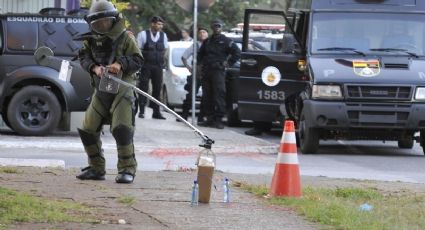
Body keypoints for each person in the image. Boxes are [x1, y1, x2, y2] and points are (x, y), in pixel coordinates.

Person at [76, 0, 143, 183]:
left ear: (113, 20)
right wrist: (94, 68)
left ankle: (127, 169)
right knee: (87, 129)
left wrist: (120, 64)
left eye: (105, 22)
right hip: (101, 88)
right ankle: (96, 168)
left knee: (122, 129)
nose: (101, 26)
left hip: (122, 88)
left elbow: (137, 60)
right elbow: (83, 56)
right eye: (97, 23)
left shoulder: (126, 38)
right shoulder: (90, 40)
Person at [198, 19, 241, 129]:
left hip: (218, 71)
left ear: (221, 28)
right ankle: (210, 119)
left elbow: (237, 53)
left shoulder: (226, 41)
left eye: (219, 26)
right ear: (212, 27)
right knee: (207, 96)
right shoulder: (207, 41)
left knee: (219, 95)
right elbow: (200, 55)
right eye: (215, 26)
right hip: (207, 71)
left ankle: (219, 119)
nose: (217, 28)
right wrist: (199, 67)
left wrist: (228, 63)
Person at [136, 16, 168, 119]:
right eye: (158, 24)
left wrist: (161, 59)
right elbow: (138, 50)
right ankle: (141, 111)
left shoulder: (164, 35)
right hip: (146, 66)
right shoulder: (143, 34)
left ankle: (156, 112)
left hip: (158, 66)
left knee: (157, 89)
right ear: (152, 24)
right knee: (143, 88)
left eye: (161, 24)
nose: (160, 26)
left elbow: (165, 50)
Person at [179, 27, 209, 122]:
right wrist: (189, 67)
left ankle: (201, 117)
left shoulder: (211, 44)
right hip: (196, 73)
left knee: (206, 96)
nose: (202, 34)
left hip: (207, 73)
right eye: (200, 33)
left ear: (208, 34)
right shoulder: (195, 45)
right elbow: (184, 56)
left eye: (204, 32)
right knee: (191, 95)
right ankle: (184, 115)